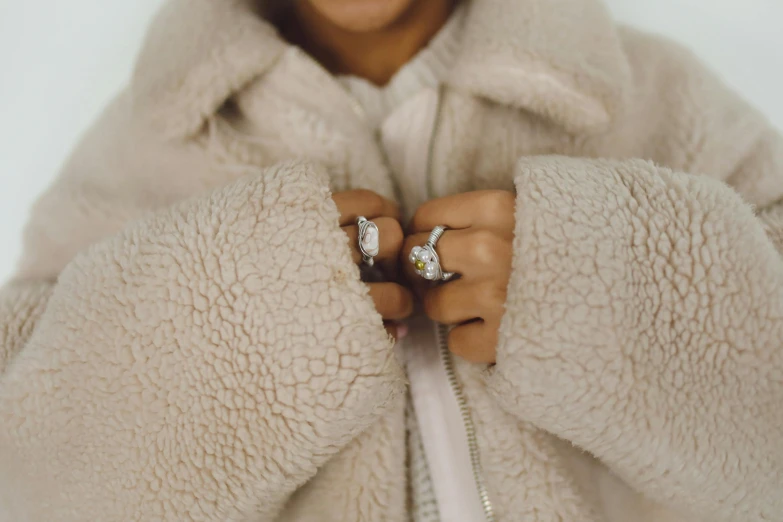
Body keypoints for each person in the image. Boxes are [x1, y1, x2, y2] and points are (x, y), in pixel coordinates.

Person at [0, 0, 781, 520]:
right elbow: (30, 487)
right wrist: (221, 338)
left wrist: (612, 293)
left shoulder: (655, 97)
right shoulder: (139, 147)